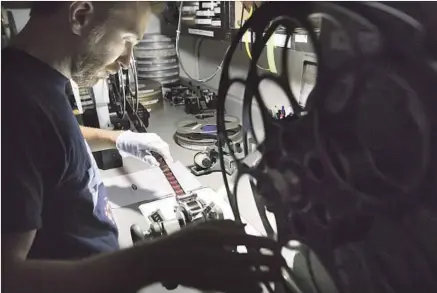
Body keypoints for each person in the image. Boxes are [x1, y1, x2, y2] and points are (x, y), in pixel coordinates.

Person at [1, 2, 285, 293]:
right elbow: (7, 278)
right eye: (126, 41)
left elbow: (50, 136)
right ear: (80, 16)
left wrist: (118, 138)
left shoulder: (34, 80)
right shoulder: (14, 101)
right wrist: (155, 260)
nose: (127, 59)